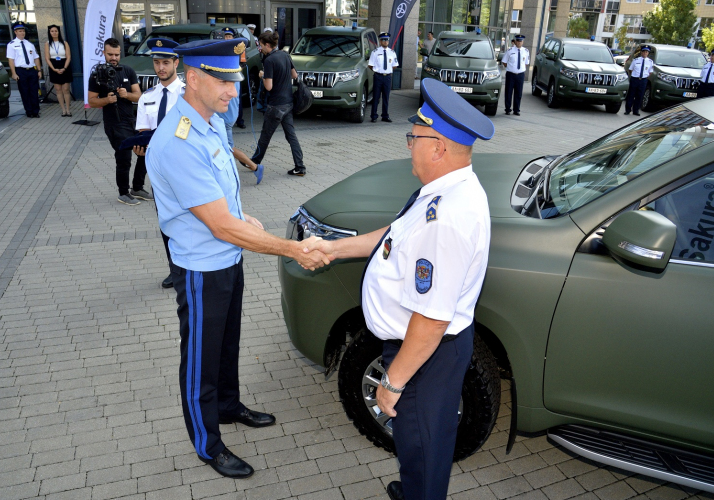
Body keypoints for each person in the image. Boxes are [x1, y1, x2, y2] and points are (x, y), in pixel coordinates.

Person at [145, 38, 330, 479]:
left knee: (227, 344)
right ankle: (208, 444)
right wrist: (291, 248)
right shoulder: (177, 140)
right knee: (200, 360)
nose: (234, 91)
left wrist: (240, 214)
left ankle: (228, 407)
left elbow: (221, 201)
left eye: (236, 80)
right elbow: (221, 226)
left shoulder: (207, 123)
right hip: (201, 268)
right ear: (193, 78)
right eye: (224, 81)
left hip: (227, 260)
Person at [306, 78, 493, 500]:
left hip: (424, 355)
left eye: (415, 136)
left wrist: (391, 382)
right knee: (417, 443)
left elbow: (430, 320)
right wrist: (333, 248)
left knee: (423, 444)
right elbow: (393, 236)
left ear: (439, 147)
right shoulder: (443, 192)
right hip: (424, 350)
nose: (408, 144)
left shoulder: (446, 218)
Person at [133, 38, 185, 289]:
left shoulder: (189, 94)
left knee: (191, 218)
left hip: (185, 168)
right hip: (159, 172)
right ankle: (175, 269)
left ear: (176, 62)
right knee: (166, 221)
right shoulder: (147, 97)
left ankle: (192, 267)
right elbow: (143, 129)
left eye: (166, 62)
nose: (161, 68)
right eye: (157, 62)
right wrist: (140, 145)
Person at [88, 38, 148, 206]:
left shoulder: (128, 70)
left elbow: (139, 96)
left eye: (116, 54)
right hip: (114, 123)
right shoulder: (96, 74)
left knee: (145, 149)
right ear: (103, 53)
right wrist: (106, 99)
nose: (113, 58)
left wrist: (126, 95)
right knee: (124, 157)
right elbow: (91, 101)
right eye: (110, 54)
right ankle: (123, 192)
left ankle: (137, 187)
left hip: (132, 121)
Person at [251, 30, 306, 177]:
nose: (260, 48)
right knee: (291, 136)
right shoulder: (285, 55)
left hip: (275, 105)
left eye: (261, 45)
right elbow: (294, 75)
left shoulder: (269, 61)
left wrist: (263, 75)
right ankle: (300, 167)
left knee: (265, 136)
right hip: (288, 103)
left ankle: (254, 162)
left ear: (268, 45)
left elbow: (268, 87)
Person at [217, 28, 265, 183]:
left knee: (228, 149)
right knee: (225, 148)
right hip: (225, 115)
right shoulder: (233, 70)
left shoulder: (230, 72)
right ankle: (253, 168)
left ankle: (253, 168)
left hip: (225, 116)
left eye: (229, 36)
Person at [7, 22, 42, 118]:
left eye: (23, 31)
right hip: (21, 70)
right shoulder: (11, 45)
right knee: (25, 92)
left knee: (34, 91)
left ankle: (36, 111)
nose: (22, 33)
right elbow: (11, 60)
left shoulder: (29, 44)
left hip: (31, 70)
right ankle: (29, 111)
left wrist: (39, 70)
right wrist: (13, 73)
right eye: (20, 31)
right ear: (15, 32)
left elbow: (36, 58)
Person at [369, 32, 398, 123]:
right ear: (380, 41)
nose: (386, 42)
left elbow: (394, 65)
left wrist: (387, 71)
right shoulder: (375, 52)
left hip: (388, 77)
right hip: (378, 77)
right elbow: (370, 65)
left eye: (387, 40)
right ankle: (374, 116)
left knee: (386, 97)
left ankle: (385, 116)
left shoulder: (392, 52)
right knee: (376, 97)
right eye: (384, 40)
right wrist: (378, 71)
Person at [44, 25, 72, 116]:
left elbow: (68, 57)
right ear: (49, 32)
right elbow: (47, 58)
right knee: (58, 89)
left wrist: (64, 68)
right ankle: (63, 110)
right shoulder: (47, 44)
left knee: (66, 89)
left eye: (56, 31)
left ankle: (68, 109)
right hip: (54, 66)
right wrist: (54, 69)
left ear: (59, 32)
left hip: (64, 65)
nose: (54, 33)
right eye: (52, 31)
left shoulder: (64, 43)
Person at [502, 34, 529, 116]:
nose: (519, 43)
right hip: (511, 74)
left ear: (523, 42)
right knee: (508, 92)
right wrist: (511, 68)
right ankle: (507, 109)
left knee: (519, 93)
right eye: (518, 41)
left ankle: (516, 110)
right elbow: (504, 62)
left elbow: (526, 63)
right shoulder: (510, 50)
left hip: (520, 75)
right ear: (515, 41)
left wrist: (520, 70)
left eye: (521, 41)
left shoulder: (526, 51)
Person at [625, 46, 651, 116]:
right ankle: (628, 110)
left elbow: (650, 72)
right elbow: (630, 69)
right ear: (641, 52)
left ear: (648, 53)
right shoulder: (636, 60)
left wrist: (644, 77)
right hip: (635, 79)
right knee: (631, 95)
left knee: (640, 96)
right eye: (643, 52)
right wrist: (635, 76)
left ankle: (636, 110)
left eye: (646, 52)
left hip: (643, 80)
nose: (645, 53)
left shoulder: (650, 62)